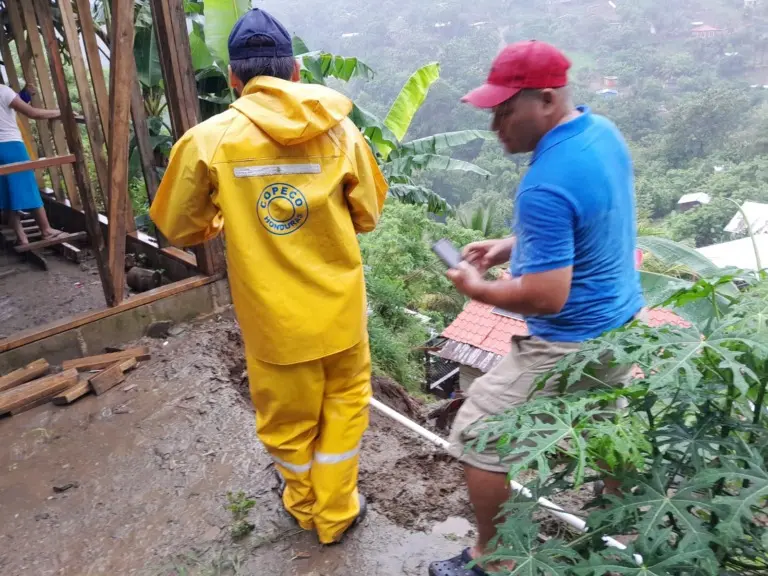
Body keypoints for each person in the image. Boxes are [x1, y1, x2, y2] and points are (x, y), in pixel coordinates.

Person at [149, 9, 388, 545]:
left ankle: (305, 507)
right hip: (341, 314)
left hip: (273, 323)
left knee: (286, 424)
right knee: (346, 408)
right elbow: (368, 215)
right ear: (295, 73)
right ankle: (336, 512)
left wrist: (225, 215)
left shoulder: (209, 140)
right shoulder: (342, 131)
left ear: (234, 77)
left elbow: (176, 226)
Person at [429, 41, 645, 576]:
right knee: (605, 429)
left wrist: (477, 288)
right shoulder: (601, 133)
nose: (495, 124)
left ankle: (492, 559)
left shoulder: (544, 182)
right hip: (620, 323)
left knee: (479, 435)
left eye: (505, 109)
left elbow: (548, 295)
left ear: (545, 100)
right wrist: (511, 247)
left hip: (567, 339)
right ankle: (617, 536)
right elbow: (589, 219)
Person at [0, 83, 62, 245]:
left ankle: (22, 238)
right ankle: (46, 230)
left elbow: (7, 107)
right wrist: (60, 112)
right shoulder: (3, 90)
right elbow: (33, 113)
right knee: (29, 187)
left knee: (7, 192)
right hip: (12, 146)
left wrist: (25, 95)